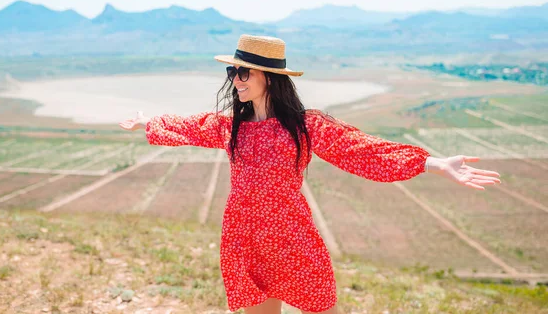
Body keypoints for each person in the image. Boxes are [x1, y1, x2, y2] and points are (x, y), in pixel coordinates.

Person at [119, 34, 501, 314]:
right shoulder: (231, 126)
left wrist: (431, 163)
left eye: (243, 72)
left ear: (268, 75)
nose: (235, 79)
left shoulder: (305, 126)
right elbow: (191, 125)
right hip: (245, 236)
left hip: (291, 236)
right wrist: (149, 121)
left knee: (321, 309)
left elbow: (363, 149)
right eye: (233, 71)